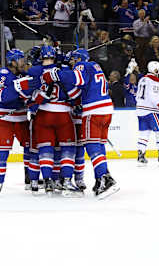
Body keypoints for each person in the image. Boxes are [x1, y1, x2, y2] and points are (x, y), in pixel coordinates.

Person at [42, 48, 120, 199]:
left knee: (91, 146)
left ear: (79, 59)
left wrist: (56, 74)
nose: (72, 63)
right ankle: (100, 178)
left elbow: (76, 78)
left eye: (73, 60)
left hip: (94, 111)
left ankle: (105, 178)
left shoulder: (82, 66)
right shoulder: (95, 67)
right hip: (106, 110)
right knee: (99, 145)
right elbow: (79, 91)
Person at [16, 45, 82, 197]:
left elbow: (24, 92)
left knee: (45, 149)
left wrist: (32, 102)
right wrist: (76, 104)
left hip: (43, 114)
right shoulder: (63, 71)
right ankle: (65, 181)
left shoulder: (34, 71)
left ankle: (47, 182)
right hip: (63, 114)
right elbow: (74, 95)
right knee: (67, 149)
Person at [0, 49, 33, 193]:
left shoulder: (23, 74)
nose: (23, 62)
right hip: (4, 119)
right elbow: (1, 96)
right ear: (12, 62)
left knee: (30, 147)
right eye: (21, 59)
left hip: (21, 118)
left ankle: (30, 179)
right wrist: (19, 90)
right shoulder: (3, 75)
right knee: (1, 151)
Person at [135, 61, 159, 167]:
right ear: (155, 70)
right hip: (151, 110)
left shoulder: (142, 79)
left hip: (141, 110)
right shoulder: (155, 80)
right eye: (158, 69)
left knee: (144, 133)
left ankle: (141, 155)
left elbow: (138, 95)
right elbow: (153, 97)